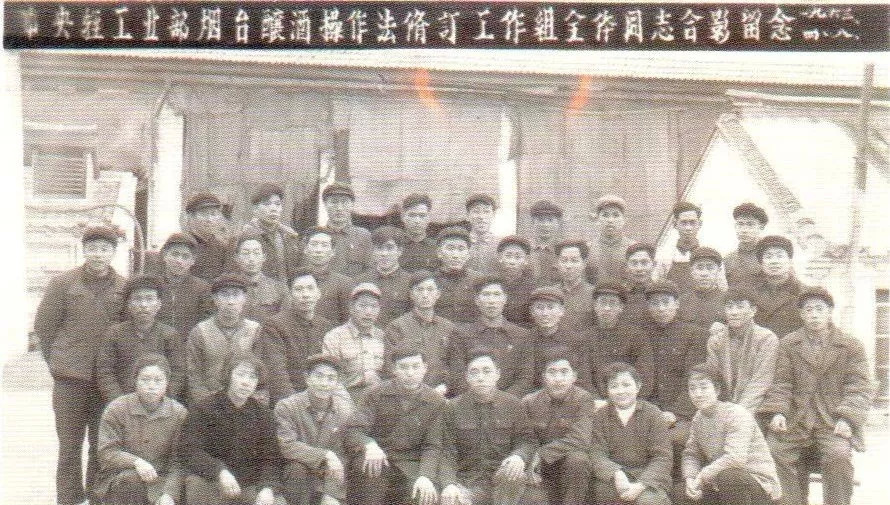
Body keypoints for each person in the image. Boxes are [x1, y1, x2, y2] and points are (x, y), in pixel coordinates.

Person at [34, 224, 127, 505]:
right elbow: (44, 327)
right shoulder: (62, 283)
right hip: (70, 380)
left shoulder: (124, 287)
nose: (98, 254)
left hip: (106, 380)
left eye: (105, 249)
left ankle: (97, 498)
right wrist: (58, 362)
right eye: (92, 248)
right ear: (84, 250)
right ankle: (69, 499)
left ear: (113, 252)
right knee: (69, 446)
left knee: (101, 446)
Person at [761, 287, 872, 505]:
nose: (814, 315)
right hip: (796, 419)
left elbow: (859, 387)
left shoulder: (850, 345)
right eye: (808, 310)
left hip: (832, 421)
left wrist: (847, 419)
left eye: (819, 309)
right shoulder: (789, 343)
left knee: (839, 456)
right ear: (801, 314)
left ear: (830, 312)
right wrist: (778, 412)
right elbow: (782, 383)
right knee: (775, 451)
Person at [342, 344, 445, 505]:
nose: (410, 373)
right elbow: (354, 429)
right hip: (378, 459)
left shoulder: (436, 401)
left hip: (411, 463)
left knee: (424, 494)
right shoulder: (375, 394)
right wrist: (369, 445)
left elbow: (433, 445)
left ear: (425, 368)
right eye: (403, 367)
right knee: (368, 471)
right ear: (394, 369)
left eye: (415, 367)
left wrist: (426, 476)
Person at [180, 355, 286, 505]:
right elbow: (190, 451)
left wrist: (268, 487)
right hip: (212, 482)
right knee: (196, 484)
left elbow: (271, 458)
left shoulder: (263, 414)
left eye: (252, 377)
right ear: (228, 375)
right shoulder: (204, 408)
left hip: (249, 485)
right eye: (240, 374)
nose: (246, 382)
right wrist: (220, 471)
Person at [440, 348, 537, 505]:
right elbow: (447, 451)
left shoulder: (513, 404)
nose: (481, 378)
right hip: (466, 481)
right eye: (474, 372)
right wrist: (449, 484)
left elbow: (527, 440)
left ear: (497, 374)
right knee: (452, 500)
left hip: (502, 480)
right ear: (467, 377)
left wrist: (519, 456)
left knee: (513, 474)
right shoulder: (453, 407)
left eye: (487, 371)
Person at [95, 353, 188, 505]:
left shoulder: (179, 413)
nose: (151, 386)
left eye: (158, 380)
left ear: (167, 382)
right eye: (145, 380)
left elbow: (179, 460)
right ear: (135, 381)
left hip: (162, 479)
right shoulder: (117, 408)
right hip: (122, 479)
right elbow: (107, 452)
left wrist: (169, 494)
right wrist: (136, 462)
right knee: (130, 480)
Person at [682, 364, 781, 505]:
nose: (698, 394)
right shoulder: (698, 418)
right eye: (692, 388)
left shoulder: (736, 414)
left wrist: (702, 476)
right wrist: (690, 479)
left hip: (759, 485)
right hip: (721, 482)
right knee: (682, 493)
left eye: (704, 387)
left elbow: (735, 458)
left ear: (717, 390)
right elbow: (691, 454)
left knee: (729, 477)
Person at [640, 280, 708, 483]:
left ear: (677, 304)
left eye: (666, 302)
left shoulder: (694, 334)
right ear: (648, 306)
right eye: (655, 303)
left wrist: (675, 413)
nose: (661, 308)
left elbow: (694, 380)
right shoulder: (641, 334)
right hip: (649, 409)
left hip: (682, 414)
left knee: (674, 442)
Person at [586, 362, 672, 505]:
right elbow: (596, 453)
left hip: (648, 478)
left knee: (648, 502)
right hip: (613, 478)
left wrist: (640, 485)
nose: (620, 391)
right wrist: (616, 473)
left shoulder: (653, 414)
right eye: (614, 386)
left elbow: (662, 457)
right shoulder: (600, 416)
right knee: (605, 497)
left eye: (626, 385)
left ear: (638, 386)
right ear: (607, 390)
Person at [275, 354, 355, 505]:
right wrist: (326, 455)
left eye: (331, 378)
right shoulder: (287, 406)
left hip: (328, 475)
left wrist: (331, 493)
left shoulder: (345, 410)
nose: (324, 383)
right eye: (319, 376)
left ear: (337, 383)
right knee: (296, 469)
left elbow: (343, 453)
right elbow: (286, 445)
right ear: (307, 378)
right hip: (298, 476)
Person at [522, 347, 598, 505]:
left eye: (564, 372)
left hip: (569, 468)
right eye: (552, 372)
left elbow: (580, 439)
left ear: (574, 376)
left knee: (578, 460)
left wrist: (542, 453)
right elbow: (523, 439)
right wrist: (530, 461)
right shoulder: (529, 402)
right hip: (539, 467)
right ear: (543, 377)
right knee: (533, 499)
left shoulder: (583, 399)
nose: (558, 379)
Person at [96, 275, 186, 404]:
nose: (143, 305)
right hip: (122, 403)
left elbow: (178, 371)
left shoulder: (169, 335)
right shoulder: (115, 333)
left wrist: (161, 400)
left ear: (159, 304)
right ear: (128, 304)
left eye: (149, 299)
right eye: (137, 299)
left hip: (159, 404)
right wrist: (119, 402)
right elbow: (105, 371)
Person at [449, 276, 535, 397]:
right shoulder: (461, 335)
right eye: (486, 295)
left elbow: (525, 378)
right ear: (477, 300)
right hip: (472, 402)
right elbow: (458, 377)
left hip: (509, 403)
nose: (491, 301)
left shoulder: (522, 336)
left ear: (505, 299)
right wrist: (479, 399)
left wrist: (503, 401)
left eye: (496, 294)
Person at [186, 273, 263, 406]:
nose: (230, 301)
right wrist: (206, 404)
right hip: (209, 404)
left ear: (244, 298)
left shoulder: (255, 330)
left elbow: (262, 374)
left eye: (236, 295)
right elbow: (194, 376)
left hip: (245, 402)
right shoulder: (200, 331)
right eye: (225, 295)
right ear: (215, 299)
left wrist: (250, 403)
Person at [260, 268, 336, 402]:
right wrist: (296, 405)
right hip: (289, 401)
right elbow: (277, 374)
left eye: (310, 288)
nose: (305, 295)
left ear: (319, 293)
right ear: (290, 294)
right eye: (298, 289)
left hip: (321, 398)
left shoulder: (326, 326)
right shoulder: (275, 325)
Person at [384, 270, 459, 396]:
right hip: (406, 394)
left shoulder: (448, 328)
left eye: (430, 290)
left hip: (442, 394)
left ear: (438, 294)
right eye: (419, 290)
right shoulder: (397, 327)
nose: (425, 295)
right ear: (411, 294)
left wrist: (445, 386)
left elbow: (455, 365)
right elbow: (390, 366)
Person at [706, 287, 779, 414]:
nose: (734, 312)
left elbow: (761, 382)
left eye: (740, 307)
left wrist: (738, 412)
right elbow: (713, 379)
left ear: (753, 310)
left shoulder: (766, 339)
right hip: (724, 407)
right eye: (729, 307)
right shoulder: (716, 340)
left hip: (757, 408)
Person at [586, 281, 654, 399]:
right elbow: (584, 377)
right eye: (603, 303)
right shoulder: (586, 338)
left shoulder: (636, 336)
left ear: (621, 307)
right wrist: (595, 401)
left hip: (629, 400)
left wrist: (631, 402)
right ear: (595, 306)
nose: (607, 308)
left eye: (612, 303)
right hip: (597, 402)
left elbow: (645, 376)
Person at [321, 283, 386, 400]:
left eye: (374, 306)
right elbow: (329, 376)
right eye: (362, 305)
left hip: (379, 400)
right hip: (345, 398)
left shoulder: (384, 337)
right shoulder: (335, 337)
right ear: (351, 308)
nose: (368, 312)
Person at [740, 236, 808, 339]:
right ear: (761, 263)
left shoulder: (805, 293)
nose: (774, 261)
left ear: (790, 261)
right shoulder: (748, 292)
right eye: (768, 256)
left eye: (780, 256)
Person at [529, 286, 593, 393]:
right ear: (532, 311)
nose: (545, 313)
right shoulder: (526, 339)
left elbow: (583, 379)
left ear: (561, 311)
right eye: (540, 307)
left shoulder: (576, 341)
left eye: (550, 307)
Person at [155, 232, 215, 340]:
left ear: (193, 260)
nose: (179, 261)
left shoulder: (202, 288)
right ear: (164, 255)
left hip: (189, 346)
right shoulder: (153, 285)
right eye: (175, 254)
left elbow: (207, 324)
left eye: (185, 256)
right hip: (157, 346)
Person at [242, 183, 301, 283]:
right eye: (267, 204)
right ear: (255, 209)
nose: (273, 209)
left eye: (277, 204)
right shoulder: (245, 237)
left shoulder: (290, 235)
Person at [354, 225, 412, 326]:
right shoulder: (360, 281)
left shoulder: (410, 282)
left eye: (390, 248)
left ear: (399, 251)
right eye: (379, 248)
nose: (384, 254)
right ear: (373, 251)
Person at [299, 226, 354, 323]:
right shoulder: (295, 278)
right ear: (306, 249)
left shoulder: (344, 283)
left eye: (324, 245)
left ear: (333, 252)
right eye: (314, 244)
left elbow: (347, 321)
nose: (318, 250)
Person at [232, 233, 290, 323]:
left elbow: (285, 321)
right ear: (237, 257)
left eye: (256, 253)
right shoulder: (229, 288)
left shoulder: (279, 288)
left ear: (264, 257)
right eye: (245, 253)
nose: (251, 259)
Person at [322, 182, 373, 277]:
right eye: (334, 202)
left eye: (344, 202)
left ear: (352, 205)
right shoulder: (317, 236)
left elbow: (371, 271)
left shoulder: (364, 236)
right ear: (325, 204)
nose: (339, 208)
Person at [434, 226, 483, 324]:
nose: (455, 255)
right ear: (439, 252)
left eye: (461, 249)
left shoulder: (479, 280)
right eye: (450, 248)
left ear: (468, 254)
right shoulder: (430, 281)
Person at [654, 201, 704, 293]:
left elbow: (721, 288)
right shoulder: (664, 255)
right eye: (683, 223)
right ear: (675, 224)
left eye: (692, 222)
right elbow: (657, 286)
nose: (688, 228)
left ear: (699, 224)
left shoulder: (708, 254)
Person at [182, 192, 231, 281]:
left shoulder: (222, 247)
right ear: (191, 217)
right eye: (204, 214)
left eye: (213, 214)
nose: (209, 220)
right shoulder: (182, 244)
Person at [586, 194, 634, 283]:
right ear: (597, 219)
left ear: (624, 220)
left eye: (616, 215)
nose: (610, 220)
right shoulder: (588, 249)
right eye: (605, 215)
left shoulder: (633, 249)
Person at [677, 247, 726, 330]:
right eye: (700, 267)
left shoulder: (727, 302)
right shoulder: (681, 302)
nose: (704, 273)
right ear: (692, 271)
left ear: (719, 271)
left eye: (710, 268)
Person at [552, 239, 596, 331]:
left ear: (584, 264)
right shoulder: (550, 294)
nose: (568, 266)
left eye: (574, 261)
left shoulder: (594, 295)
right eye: (564, 260)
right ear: (557, 264)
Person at [496, 235, 538, 328]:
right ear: (500, 257)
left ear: (526, 260)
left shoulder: (532, 288)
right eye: (508, 256)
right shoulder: (492, 283)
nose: (512, 261)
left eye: (518, 257)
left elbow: (532, 323)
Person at [724, 203, 768, 288]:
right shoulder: (728, 260)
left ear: (761, 227)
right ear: (735, 226)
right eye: (740, 224)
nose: (744, 230)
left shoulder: (770, 257)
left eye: (750, 224)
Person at [399, 193, 439, 272]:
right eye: (412, 215)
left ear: (429, 218)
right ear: (403, 217)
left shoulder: (437, 248)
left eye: (422, 215)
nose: (417, 221)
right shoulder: (396, 246)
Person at [528, 200, 564, 285]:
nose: (545, 225)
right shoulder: (525, 250)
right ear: (532, 223)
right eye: (540, 220)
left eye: (550, 220)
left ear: (558, 223)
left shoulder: (565, 250)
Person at [465, 193, 503, 274]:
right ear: (467, 216)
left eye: (486, 211)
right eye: (476, 211)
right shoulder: (461, 243)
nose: (481, 217)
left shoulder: (501, 245)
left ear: (493, 215)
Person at [623, 242, 656, 325]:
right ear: (626, 267)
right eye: (634, 263)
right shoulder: (620, 294)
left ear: (654, 265)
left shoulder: (662, 293)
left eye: (644, 263)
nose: (639, 269)